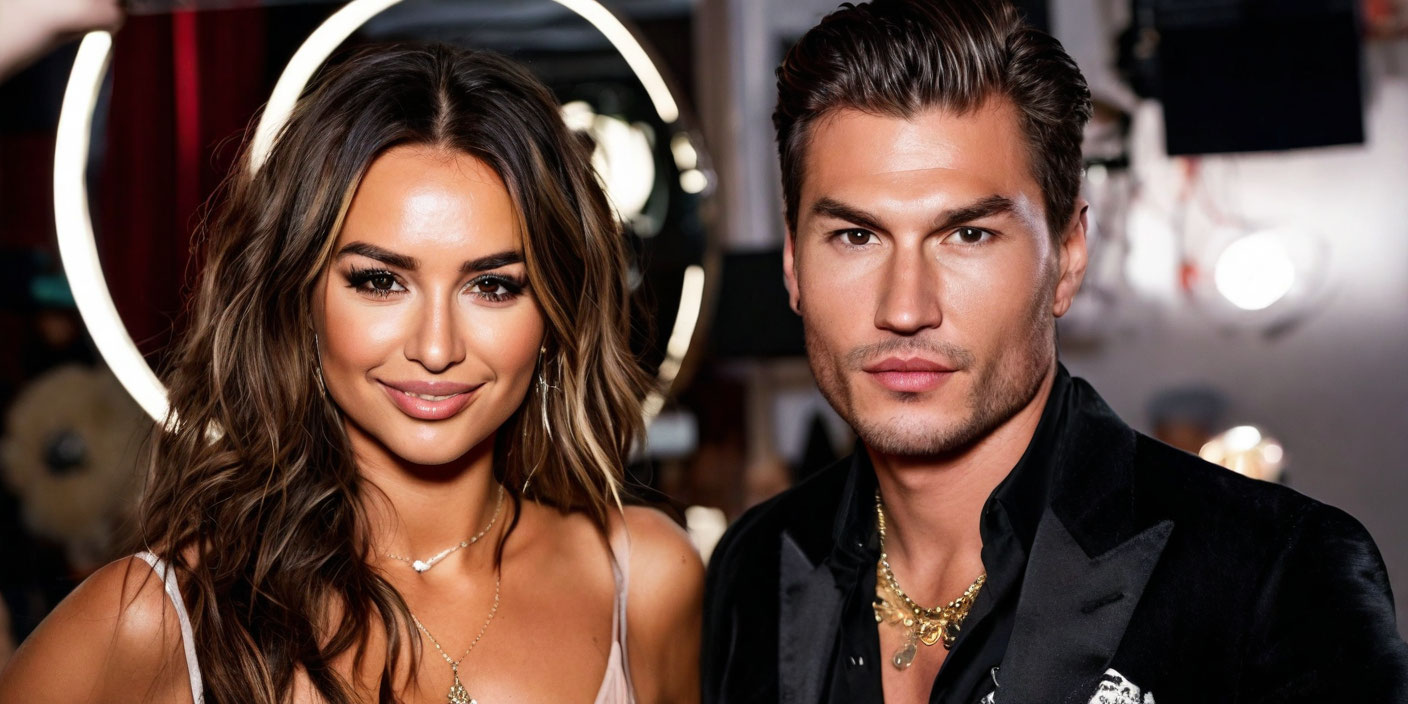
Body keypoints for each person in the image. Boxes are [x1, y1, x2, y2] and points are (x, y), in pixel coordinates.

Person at [700, 2, 1408, 703]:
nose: (905, 309)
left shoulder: (1274, 576)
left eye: (968, 235)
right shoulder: (754, 566)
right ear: (793, 264)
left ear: (1068, 257)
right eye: (856, 237)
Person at [0, 44, 702, 704]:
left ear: (554, 311)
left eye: (492, 286)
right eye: (380, 281)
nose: (436, 347)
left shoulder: (645, 582)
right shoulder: (155, 619)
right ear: (299, 298)